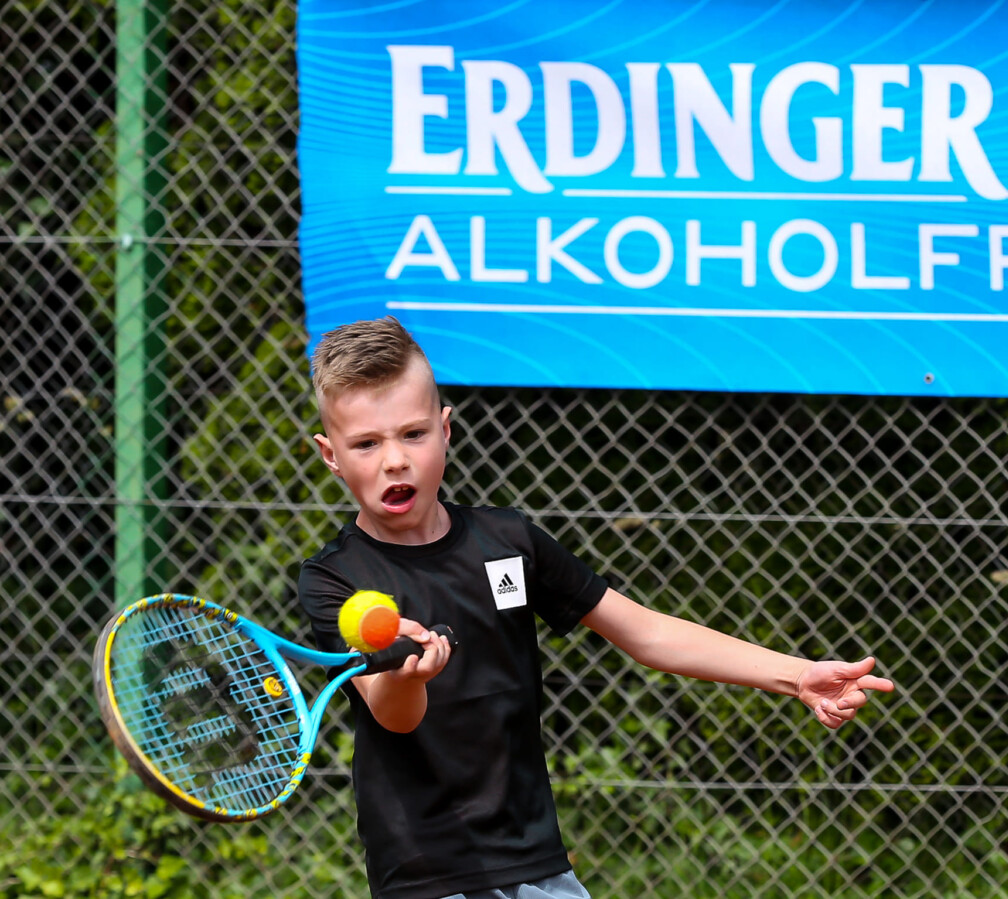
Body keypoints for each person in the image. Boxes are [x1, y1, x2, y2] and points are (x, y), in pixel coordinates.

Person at [298, 316, 895, 899]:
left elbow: (646, 634)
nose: (394, 460)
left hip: (537, 862)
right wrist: (409, 678)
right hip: (425, 877)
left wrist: (797, 675)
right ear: (331, 455)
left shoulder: (507, 541)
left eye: (413, 434)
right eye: (366, 444)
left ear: (446, 429)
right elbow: (393, 715)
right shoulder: (334, 581)